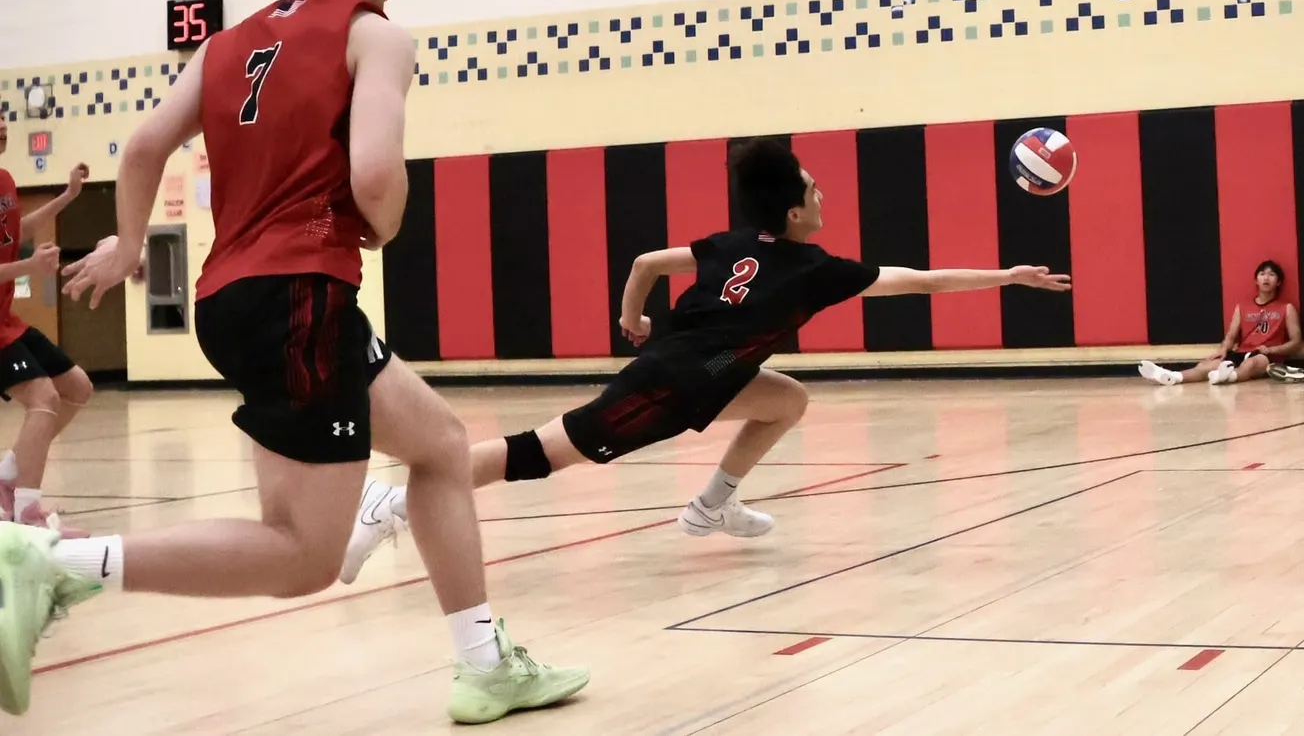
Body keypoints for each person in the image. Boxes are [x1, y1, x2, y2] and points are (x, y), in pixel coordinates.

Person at [0, 0, 587, 724]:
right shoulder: (374, 34)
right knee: (302, 555)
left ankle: (486, 664)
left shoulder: (226, 44)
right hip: (299, 297)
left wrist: (128, 244)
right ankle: (54, 564)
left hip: (239, 297)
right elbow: (376, 171)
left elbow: (142, 148)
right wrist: (381, 223)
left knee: (439, 446)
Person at [337, 138, 1073, 583]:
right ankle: (394, 502)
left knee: (785, 400)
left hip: (707, 370)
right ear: (793, 213)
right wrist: (1006, 277)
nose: (823, 193)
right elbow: (919, 282)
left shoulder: (730, 244)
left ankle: (709, 506)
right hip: (672, 383)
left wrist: (631, 317)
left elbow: (646, 260)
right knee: (543, 453)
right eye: (815, 188)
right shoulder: (813, 268)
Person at [0, 152, 94, 527]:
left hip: (6, 320)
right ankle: (26, 511)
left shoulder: (5, 179)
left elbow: (17, 231)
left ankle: (8, 472)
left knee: (77, 387)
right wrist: (29, 267)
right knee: (44, 398)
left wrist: (69, 195)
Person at [1139, 260, 1301, 386]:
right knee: (1207, 366)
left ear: (1278, 282)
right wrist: (1224, 349)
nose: (1266, 277)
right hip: (1241, 352)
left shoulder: (1286, 308)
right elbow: (1231, 335)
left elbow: (1296, 342)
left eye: (1272, 275)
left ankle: (1229, 377)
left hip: (1266, 356)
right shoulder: (1242, 306)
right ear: (1256, 280)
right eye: (1262, 274)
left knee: (1253, 363)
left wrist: (1272, 349)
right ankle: (1173, 376)